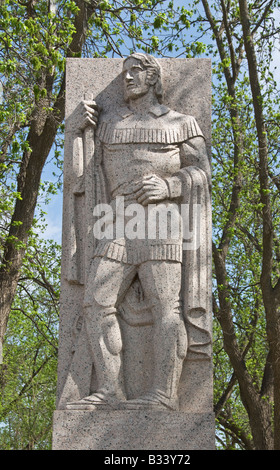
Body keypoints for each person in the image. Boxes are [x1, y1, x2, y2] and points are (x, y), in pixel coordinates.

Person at [66, 53, 211, 411]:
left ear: (154, 79)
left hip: (161, 221)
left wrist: (170, 186)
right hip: (115, 219)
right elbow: (80, 178)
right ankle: (110, 390)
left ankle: (164, 394)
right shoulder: (108, 124)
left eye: (136, 71)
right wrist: (74, 132)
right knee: (95, 301)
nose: (127, 77)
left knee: (166, 307)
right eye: (124, 72)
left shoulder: (182, 123)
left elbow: (203, 174)